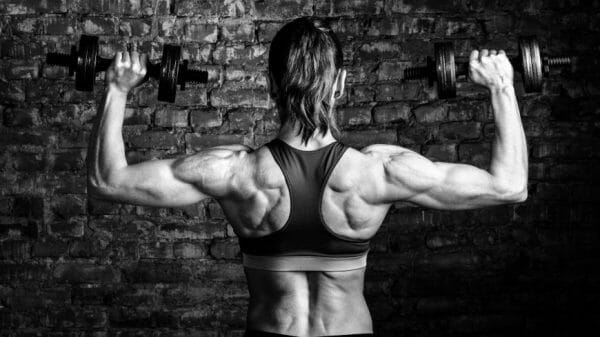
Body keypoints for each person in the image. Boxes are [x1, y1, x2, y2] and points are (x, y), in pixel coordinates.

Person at [87, 17, 528, 337]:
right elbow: (510, 186)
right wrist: (502, 88)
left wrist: (118, 89)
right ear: (339, 86)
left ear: (271, 86)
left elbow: (107, 181)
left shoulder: (235, 173)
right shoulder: (378, 172)